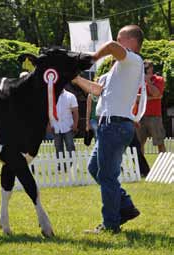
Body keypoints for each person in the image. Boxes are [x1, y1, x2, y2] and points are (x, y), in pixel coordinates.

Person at [71, 25, 146, 234]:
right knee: (96, 169)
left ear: (131, 42)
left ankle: (111, 223)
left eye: (121, 38)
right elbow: (96, 90)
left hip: (114, 125)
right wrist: (75, 77)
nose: (116, 42)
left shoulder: (132, 59)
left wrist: (92, 58)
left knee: (106, 175)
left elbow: (112, 46)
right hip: (111, 125)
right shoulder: (119, 69)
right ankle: (126, 207)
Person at [136, 60, 166, 153]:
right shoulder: (137, 81)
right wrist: (152, 97)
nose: (144, 70)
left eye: (146, 68)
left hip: (155, 116)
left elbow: (156, 93)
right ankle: (142, 166)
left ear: (152, 68)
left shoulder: (159, 79)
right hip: (140, 116)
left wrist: (148, 81)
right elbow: (134, 98)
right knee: (140, 143)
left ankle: (163, 164)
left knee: (159, 142)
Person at [50, 87, 79, 162]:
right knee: (58, 147)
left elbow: (75, 112)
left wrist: (75, 124)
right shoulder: (50, 97)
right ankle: (61, 166)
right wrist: (49, 125)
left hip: (68, 126)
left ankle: (72, 165)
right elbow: (48, 112)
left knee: (70, 146)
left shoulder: (70, 96)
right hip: (55, 126)